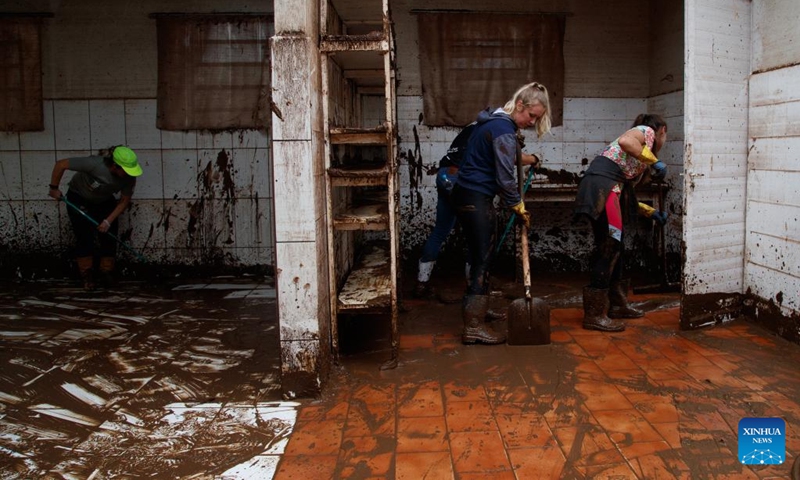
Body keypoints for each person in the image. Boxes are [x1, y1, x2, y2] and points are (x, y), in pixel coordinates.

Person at [451, 82, 552, 345]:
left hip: (466, 195)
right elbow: (506, 176)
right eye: (531, 116)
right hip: (476, 197)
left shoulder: (493, 122)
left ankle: (479, 311)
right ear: (519, 105)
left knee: (479, 256)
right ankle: (473, 326)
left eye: (537, 119)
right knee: (483, 259)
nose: (532, 122)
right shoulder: (503, 129)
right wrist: (516, 204)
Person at [415, 120, 540, 298]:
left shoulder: (473, 127)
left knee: (441, 230)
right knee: (477, 235)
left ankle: (422, 283)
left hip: (445, 174)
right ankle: (474, 286)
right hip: (462, 179)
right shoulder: (496, 130)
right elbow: (511, 158)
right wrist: (534, 159)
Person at [573, 114, 669, 332]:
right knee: (610, 247)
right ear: (662, 130)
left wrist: (651, 212)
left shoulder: (638, 159)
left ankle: (617, 304)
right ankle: (594, 315)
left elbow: (627, 195)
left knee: (616, 246)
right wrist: (655, 162)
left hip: (605, 189)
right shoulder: (647, 132)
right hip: (603, 188)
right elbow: (626, 141)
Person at [48, 146, 143, 289]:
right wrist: (54, 188)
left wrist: (108, 221)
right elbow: (61, 164)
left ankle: (106, 272)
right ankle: (87, 274)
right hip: (79, 197)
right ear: (115, 166)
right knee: (84, 236)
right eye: (126, 170)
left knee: (109, 234)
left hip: (103, 200)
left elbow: (124, 201)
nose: (129, 174)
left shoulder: (129, 178)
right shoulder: (95, 164)